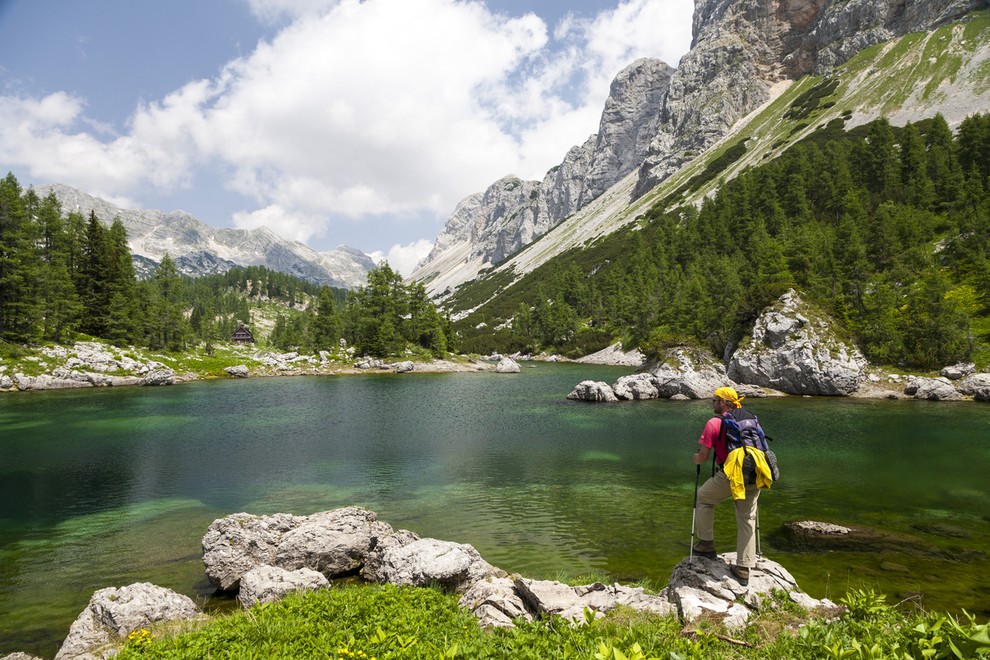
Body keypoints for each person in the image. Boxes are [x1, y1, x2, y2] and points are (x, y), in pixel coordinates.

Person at [691, 386, 761, 586]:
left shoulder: (714, 422)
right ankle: (743, 567)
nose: (711, 402)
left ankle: (706, 544)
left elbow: (703, 457)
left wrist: (696, 458)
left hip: (731, 474)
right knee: (747, 517)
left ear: (724, 403)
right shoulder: (751, 418)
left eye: (714, 399)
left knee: (703, 498)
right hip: (754, 473)